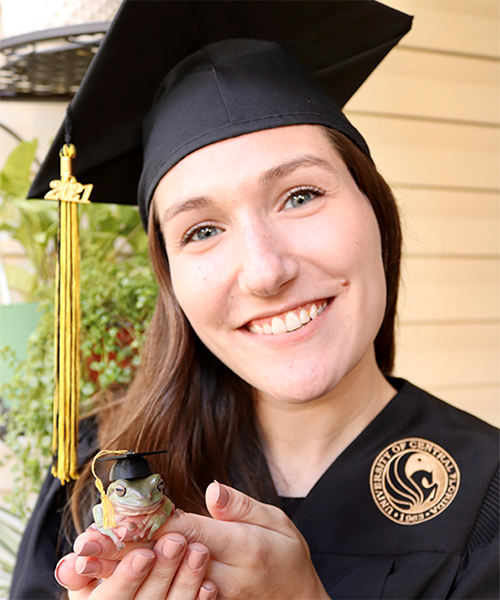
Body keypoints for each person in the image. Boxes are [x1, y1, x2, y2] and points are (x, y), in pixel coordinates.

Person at [10, 1, 500, 599]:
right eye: (202, 230)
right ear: (172, 282)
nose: (266, 271)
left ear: (377, 211)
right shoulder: (102, 477)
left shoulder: (488, 499)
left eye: (299, 195)